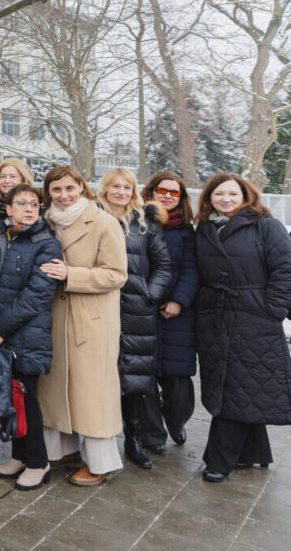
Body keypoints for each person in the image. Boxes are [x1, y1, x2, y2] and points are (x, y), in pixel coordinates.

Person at [194, 174, 291, 483]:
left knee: (237, 384)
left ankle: (219, 460)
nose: (225, 199)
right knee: (239, 385)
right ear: (209, 198)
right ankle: (253, 453)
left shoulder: (264, 224)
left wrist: (272, 309)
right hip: (215, 317)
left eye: (232, 193)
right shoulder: (206, 228)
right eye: (218, 193)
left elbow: (285, 267)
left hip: (254, 318)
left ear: (246, 195)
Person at [37, 165, 127, 486]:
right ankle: (64, 449)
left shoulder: (103, 222)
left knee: (93, 393)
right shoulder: (45, 221)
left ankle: (102, 462)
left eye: (69, 189)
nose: (63, 196)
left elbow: (116, 273)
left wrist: (71, 275)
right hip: (55, 318)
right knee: (57, 387)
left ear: (81, 188)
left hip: (91, 320)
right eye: (56, 190)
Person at [0, 183, 62, 491]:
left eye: (34, 204)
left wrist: (0, 328)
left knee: (27, 399)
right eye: (21, 203)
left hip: (26, 334)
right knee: (9, 398)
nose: (28, 208)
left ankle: (39, 463)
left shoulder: (46, 244)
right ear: (8, 209)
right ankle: (19, 457)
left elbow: (37, 294)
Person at [97, 167, 172, 469]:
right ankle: (95, 439)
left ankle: (133, 438)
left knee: (135, 376)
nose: (121, 192)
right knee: (99, 373)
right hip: (98, 305)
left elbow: (163, 265)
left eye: (127, 187)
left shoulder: (145, 223)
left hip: (136, 309)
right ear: (105, 189)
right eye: (115, 186)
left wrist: (149, 294)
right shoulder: (92, 218)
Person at [139, 172, 198, 450]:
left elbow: (191, 269)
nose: (167, 196)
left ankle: (177, 421)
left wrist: (178, 301)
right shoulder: (138, 223)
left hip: (176, 315)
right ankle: (152, 435)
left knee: (177, 379)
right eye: (162, 190)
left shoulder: (187, 231)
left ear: (181, 198)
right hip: (142, 310)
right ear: (151, 192)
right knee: (145, 376)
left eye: (174, 193)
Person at [0, 158, 35, 229]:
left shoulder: (35, 210)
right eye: (2, 177)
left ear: (23, 179)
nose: (6, 180)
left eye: (13, 176)